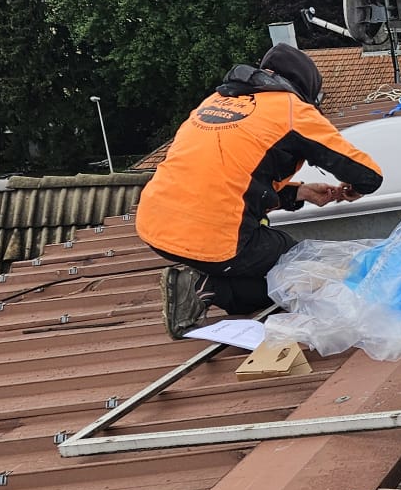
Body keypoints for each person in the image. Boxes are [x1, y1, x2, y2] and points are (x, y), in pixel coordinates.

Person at [137, 44, 383, 338]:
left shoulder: (215, 102)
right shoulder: (293, 110)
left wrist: (301, 193)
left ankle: (205, 281)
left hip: (155, 225)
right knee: (297, 270)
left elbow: (230, 182)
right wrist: (354, 189)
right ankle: (205, 288)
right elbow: (368, 175)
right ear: (306, 88)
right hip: (214, 240)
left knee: (261, 260)